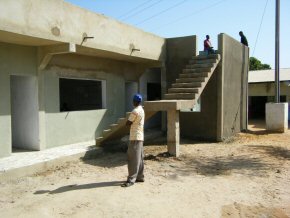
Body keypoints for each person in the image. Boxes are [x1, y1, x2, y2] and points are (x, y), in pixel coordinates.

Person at [121, 94, 145, 187]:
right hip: (140, 137)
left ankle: (131, 180)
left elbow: (128, 123)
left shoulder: (135, 111)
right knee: (140, 158)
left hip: (135, 137)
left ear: (134, 101)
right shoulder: (142, 109)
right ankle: (140, 177)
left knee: (133, 159)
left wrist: (127, 120)